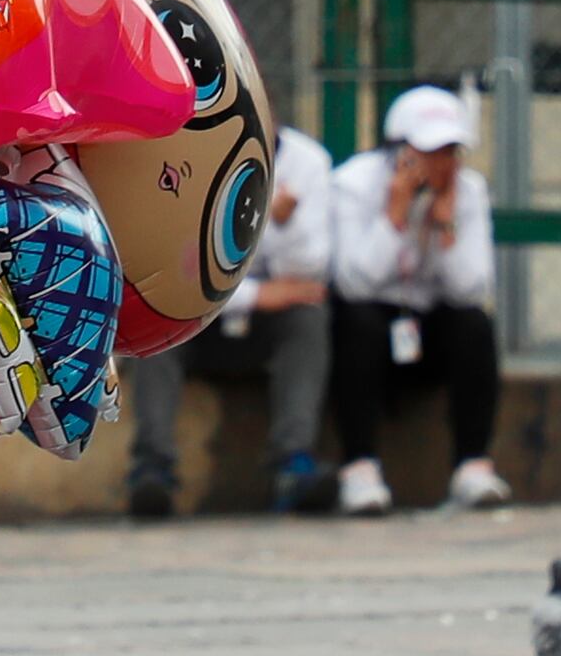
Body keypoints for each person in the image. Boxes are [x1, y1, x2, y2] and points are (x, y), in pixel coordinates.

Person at [121, 124, 341, 518]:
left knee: (308, 318)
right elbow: (170, 269)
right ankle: (152, 469)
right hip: (197, 317)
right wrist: (257, 294)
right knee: (155, 320)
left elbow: (310, 273)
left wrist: (283, 224)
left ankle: (292, 464)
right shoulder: (183, 158)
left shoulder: (308, 162)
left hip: (261, 324)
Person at [327, 84, 508, 515]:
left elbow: (471, 289)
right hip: (374, 323)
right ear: (400, 153)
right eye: (429, 152)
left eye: (449, 152)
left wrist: (445, 227)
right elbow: (354, 283)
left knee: (475, 326)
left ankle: (472, 466)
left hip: (430, 323)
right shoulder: (353, 183)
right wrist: (396, 216)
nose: (441, 164)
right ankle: (360, 469)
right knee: (357, 321)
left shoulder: (470, 191)